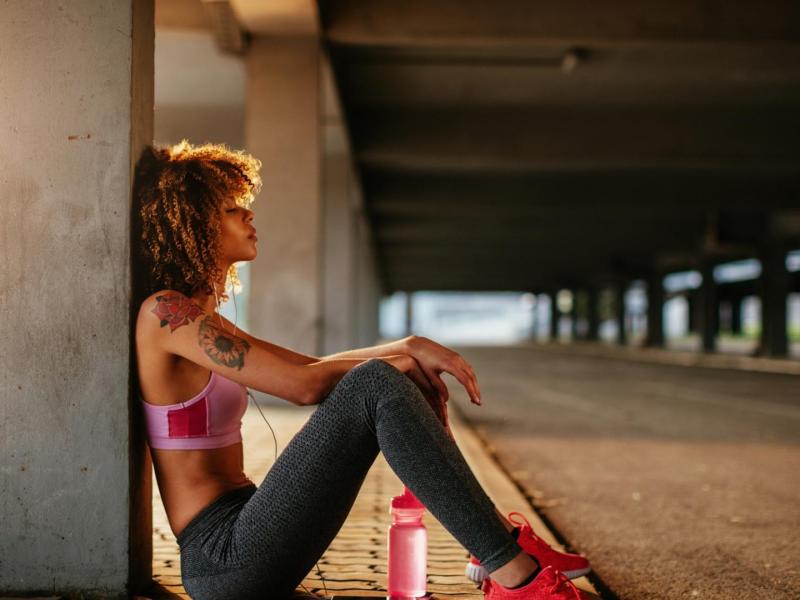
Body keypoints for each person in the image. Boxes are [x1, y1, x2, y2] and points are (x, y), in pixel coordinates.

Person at [132, 139, 593, 600]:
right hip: (221, 557)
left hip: (249, 526)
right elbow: (303, 386)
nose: (250, 216)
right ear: (194, 222)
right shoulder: (167, 315)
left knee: (376, 380)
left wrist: (405, 346)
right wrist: (397, 365)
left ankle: (500, 549)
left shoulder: (200, 318)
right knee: (375, 383)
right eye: (233, 209)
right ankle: (516, 575)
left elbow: (309, 365)